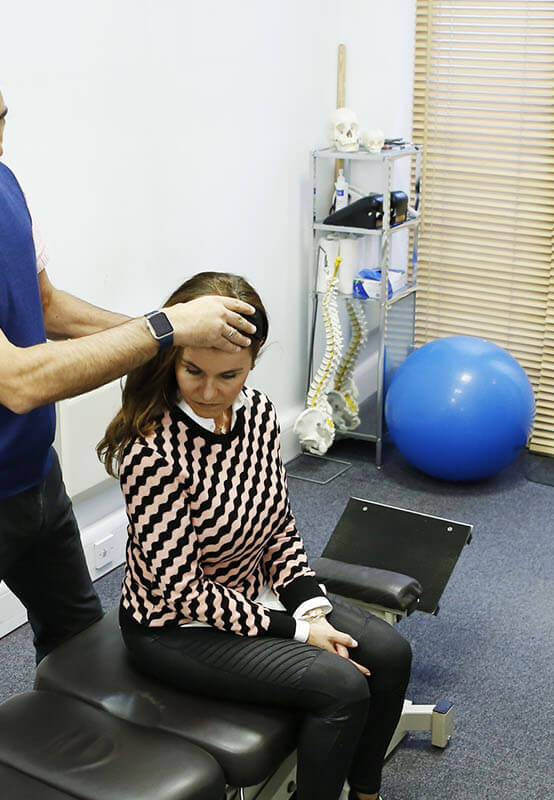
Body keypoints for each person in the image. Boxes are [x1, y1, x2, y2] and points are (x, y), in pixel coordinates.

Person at [0, 24, 258, 798]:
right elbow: (16, 378)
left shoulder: (1, 185)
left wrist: (169, 349)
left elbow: (46, 308)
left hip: (35, 479)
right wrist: (165, 328)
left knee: (77, 642)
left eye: (1, 120)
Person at [97, 272, 413, 800]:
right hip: (175, 628)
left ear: (253, 360)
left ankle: (365, 792)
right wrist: (298, 631)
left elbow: (277, 527)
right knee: (341, 687)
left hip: (249, 598)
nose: (209, 392)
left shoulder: (260, 414)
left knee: (390, 652)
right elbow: (183, 592)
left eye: (229, 375)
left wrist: (311, 608)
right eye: (193, 371)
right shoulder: (151, 451)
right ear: (172, 357)